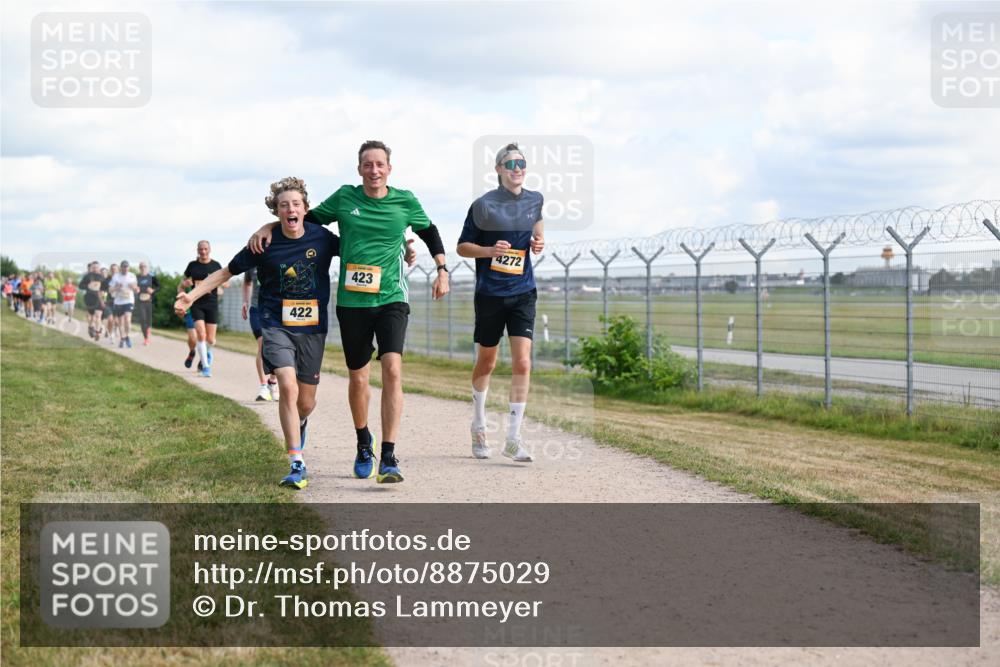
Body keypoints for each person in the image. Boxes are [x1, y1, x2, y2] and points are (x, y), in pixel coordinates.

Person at [249, 140, 448, 484]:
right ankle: (363, 441)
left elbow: (429, 231)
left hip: (391, 298)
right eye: (367, 165)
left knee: (393, 369)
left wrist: (442, 269)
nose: (374, 170)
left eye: (380, 164)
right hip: (352, 303)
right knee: (359, 377)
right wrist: (268, 227)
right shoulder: (344, 198)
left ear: (389, 168)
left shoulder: (405, 201)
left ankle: (388, 455)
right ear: (359, 169)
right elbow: (301, 221)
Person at [178, 177, 339, 489]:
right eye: (283, 205)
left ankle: (300, 422)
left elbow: (359, 249)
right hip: (275, 323)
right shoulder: (263, 243)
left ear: (305, 209)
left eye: (295, 204)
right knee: (287, 388)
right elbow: (226, 272)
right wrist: (192, 295)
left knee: (305, 403)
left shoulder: (323, 237)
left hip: (312, 329)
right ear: (275, 211)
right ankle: (296, 462)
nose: (290, 209)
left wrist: (402, 252)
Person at [457, 142, 545, 462]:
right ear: (499, 170)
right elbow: (462, 247)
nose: (517, 168)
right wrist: (489, 251)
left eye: (521, 162)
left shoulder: (535, 199)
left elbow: (537, 221)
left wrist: (539, 239)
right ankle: (479, 425)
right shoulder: (483, 205)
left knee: (523, 362)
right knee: (488, 363)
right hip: (490, 294)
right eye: (510, 164)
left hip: (523, 291)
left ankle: (513, 438)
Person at [182, 241, 227, 377]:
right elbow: (183, 282)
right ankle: (206, 366)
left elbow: (224, 281)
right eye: (201, 249)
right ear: (197, 250)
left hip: (211, 303)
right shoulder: (192, 265)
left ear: (210, 249)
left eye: (205, 249)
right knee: (201, 334)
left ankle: (207, 352)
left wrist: (223, 284)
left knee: (211, 339)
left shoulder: (216, 265)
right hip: (196, 303)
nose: (203, 251)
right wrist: (186, 284)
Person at [243, 267, 279, 401]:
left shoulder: (278, 256)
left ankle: (272, 382)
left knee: (274, 347)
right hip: (256, 310)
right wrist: (245, 302)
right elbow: (247, 283)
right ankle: (264, 385)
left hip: (275, 310)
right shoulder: (251, 263)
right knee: (263, 345)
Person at [109, 260, 139, 348]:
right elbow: (110, 290)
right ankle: (122, 338)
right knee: (120, 322)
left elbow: (137, 289)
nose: (125, 268)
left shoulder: (132, 276)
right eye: (124, 267)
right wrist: (116, 287)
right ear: (121, 267)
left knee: (128, 318)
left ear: (128, 268)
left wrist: (134, 287)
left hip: (129, 300)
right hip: (118, 301)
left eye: (127, 267)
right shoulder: (116, 277)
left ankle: (127, 336)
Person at [135, 262, 160, 345]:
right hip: (140, 301)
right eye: (141, 266)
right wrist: (135, 289)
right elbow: (132, 286)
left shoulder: (151, 277)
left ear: (148, 268)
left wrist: (153, 290)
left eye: (144, 266)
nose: (143, 268)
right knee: (142, 319)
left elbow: (159, 286)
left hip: (149, 301)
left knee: (148, 320)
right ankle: (146, 338)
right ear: (139, 268)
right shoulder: (136, 277)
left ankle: (148, 330)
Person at [78, 262, 105, 340]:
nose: (95, 269)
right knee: (91, 316)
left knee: (98, 315)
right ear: (91, 268)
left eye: (97, 267)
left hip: (99, 298)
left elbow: (105, 287)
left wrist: (103, 293)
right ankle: (90, 327)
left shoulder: (101, 277)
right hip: (89, 298)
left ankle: (97, 332)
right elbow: (80, 286)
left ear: (99, 268)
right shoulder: (87, 276)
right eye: (94, 267)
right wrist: (87, 286)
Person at [101, 265, 117, 344]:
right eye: (112, 269)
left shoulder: (121, 279)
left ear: (118, 270)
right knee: (110, 320)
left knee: (116, 321)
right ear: (110, 270)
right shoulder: (107, 280)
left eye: (115, 269)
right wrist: (102, 300)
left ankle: (109, 330)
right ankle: (111, 336)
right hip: (109, 302)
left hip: (119, 302)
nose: (114, 270)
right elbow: (102, 291)